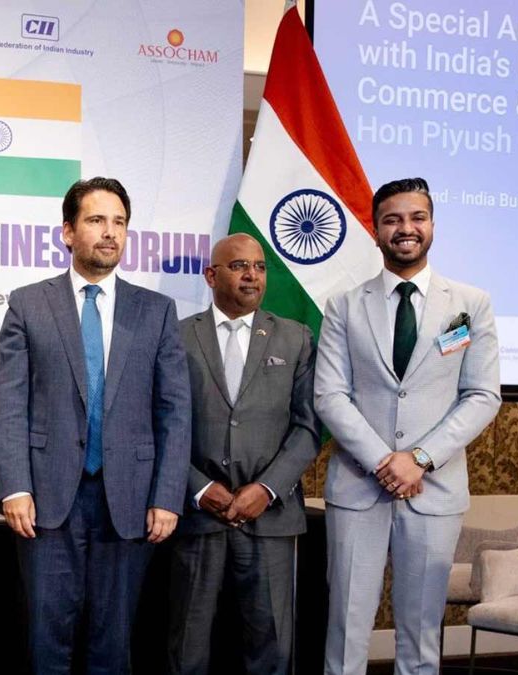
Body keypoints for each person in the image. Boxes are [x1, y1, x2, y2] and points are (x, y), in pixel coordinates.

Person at [0, 176, 191, 673]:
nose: (110, 232)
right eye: (97, 220)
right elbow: (10, 403)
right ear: (68, 231)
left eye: (119, 222)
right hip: (46, 500)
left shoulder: (156, 311)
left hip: (130, 500)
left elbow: (174, 410)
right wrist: (15, 487)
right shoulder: (28, 303)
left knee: (112, 645)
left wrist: (168, 496)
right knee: (47, 643)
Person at [314, 177, 501, 674]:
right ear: (375, 229)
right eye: (392, 219)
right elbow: (330, 395)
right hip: (358, 487)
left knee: (421, 633)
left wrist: (419, 459)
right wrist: (385, 461)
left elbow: (482, 395)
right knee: (347, 626)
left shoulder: (470, 304)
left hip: (434, 489)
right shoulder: (343, 305)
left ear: (432, 225)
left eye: (417, 217)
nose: (406, 228)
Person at [166, 233, 319, 675]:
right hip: (197, 516)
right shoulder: (176, 336)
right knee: (187, 648)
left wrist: (267, 489)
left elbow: (308, 427)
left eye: (259, 266)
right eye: (238, 266)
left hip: (269, 517)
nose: (252, 275)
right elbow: (160, 426)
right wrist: (199, 489)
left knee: (271, 649)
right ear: (210, 275)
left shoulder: (296, 338)